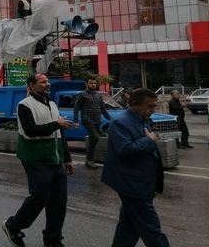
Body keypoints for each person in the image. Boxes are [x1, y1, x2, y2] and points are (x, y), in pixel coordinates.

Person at [2, 73, 74, 247]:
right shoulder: (24, 105)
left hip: (55, 158)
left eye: (48, 81)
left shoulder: (52, 104)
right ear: (32, 86)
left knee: (59, 200)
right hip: (35, 158)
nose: (47, 84)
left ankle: (52, 238)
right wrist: (57, 124)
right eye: (43, 82)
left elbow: (60, 133)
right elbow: (30, 130)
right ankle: (12, 226)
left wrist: (67, 158)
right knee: (40, 196)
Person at [101, 88, 170, 247]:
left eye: (154, 106)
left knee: (129, 225)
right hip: (131, 184)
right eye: (149, 106)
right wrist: (150, 141)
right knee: (152, 229)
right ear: (134, 104)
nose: (152, 110)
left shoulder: (143, 118)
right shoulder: (119, 122)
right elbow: (125, 150)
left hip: (142, 181)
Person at [73, 76, 111, 168]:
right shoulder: (82, 94)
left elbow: (103, 109)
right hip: (87, 120)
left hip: (97, 120)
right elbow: (76, 108)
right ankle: (89, 160)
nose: (93, 85)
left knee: (93, 139)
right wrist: (76, 121)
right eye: (91, 83)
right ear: (86, 84)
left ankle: (90, 160)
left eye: (94, 83)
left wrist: (111, 119)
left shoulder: (98, 95)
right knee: (95, 138)